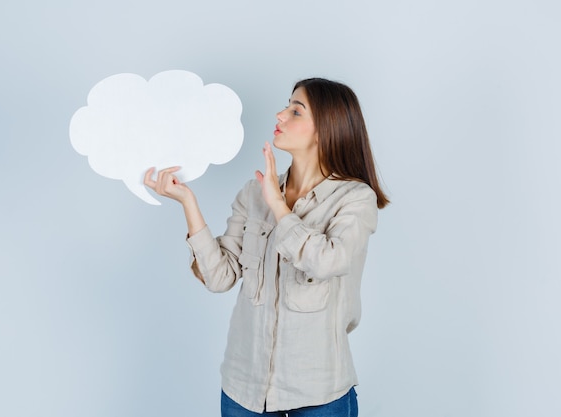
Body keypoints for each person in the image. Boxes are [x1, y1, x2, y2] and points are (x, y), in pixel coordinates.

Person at [144, 78, 389, 417]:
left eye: (295, 111)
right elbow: (220, 277)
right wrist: (187, 202)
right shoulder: (252, 194)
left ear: (324, 130)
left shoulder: (354, 198)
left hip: (320, 394)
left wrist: (278, 205)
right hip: (244, 390)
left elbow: (328, 261)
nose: (280, 114)